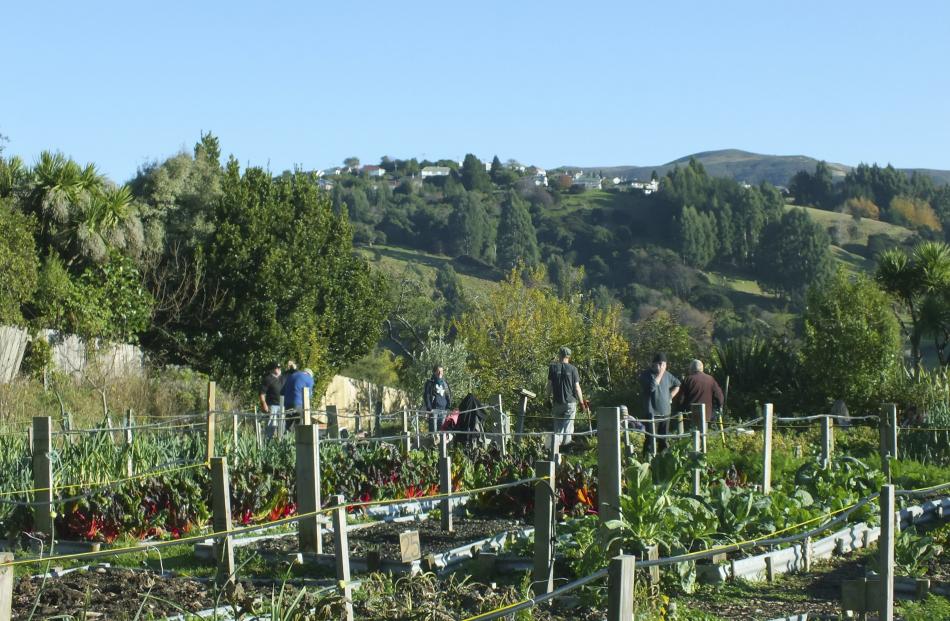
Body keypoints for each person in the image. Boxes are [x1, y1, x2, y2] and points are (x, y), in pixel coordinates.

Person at [548, 346, 588, 453]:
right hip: (570, 402)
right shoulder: (573, 369)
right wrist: (582, 403)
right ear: (569, 356)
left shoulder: (552, 368)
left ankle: (556, 450)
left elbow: (549, 386)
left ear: (559, 355)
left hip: (557, 402)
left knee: (558, 427)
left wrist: (546, 398)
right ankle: (566, 449)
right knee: (568, 426)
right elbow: (577, 387)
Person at [639, 352, 681, 453]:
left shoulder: (668, 375)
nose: (663, 367)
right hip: (651, 414)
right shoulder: (645, 375)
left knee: (663, 441)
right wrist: (661, 373)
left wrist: (670, 396)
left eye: (664, 365)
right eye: (661, 364)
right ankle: (647, 461)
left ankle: (663, 463)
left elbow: (678, 384)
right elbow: (652, 387)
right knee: (650, 440)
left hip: (665, 414)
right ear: (654, 364)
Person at [423, 365, 453, 432]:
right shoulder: (430, 383)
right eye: (438, 371)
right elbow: (427, 396)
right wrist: (429, 409)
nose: (440, 373)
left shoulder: (445, 383)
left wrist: (448, 407)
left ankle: (440, 442)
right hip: (434, 410)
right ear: (434, 372)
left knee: (442, 431)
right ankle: (432, 442)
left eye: (441, 371)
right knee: (433, 431)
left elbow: (448, 395)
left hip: (444, 410)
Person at [258, 362, 283, 438]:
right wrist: (264, 404)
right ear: (272, 369)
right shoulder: (268, 379)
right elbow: (261, 393)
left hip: (282, 406)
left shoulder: (283, 378)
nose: (279, 369)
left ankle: (280, 445)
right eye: (277, 368)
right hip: (272, 406)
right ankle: (268, 445)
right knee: (270, 427)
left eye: (279, 368)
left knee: (281, 428)